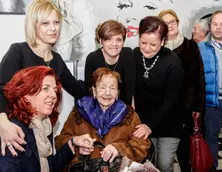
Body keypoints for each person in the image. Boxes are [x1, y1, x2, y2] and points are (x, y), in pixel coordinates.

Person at [0, 0, 88, 157]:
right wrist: (3, 123)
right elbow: (1, 88)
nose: (53, 28)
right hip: (16, 133)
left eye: (56, 22)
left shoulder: (57, 60)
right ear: (33, 25)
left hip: (43, 135)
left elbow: (78, 90)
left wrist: (102, 84)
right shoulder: (18, 51)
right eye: (45, 23)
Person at [0, 66, 95, 172]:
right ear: (26, 94)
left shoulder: (44, 126)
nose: (54, 95)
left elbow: (48, 167)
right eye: (45, 89)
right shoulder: (13, 133)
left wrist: (72, 143)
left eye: (55, 90)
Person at [55, 67, 151, 171]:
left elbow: (142, 144)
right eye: (102, 87)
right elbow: (60, 141)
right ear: (94, 90)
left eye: (112, 88)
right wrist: (76, 145)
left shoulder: (129, 114)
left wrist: (119, 148)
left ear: (117, 92)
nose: (108, 93)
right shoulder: (79, 112)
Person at [133, 16, 184, 172]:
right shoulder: (134, 55)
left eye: (153, 44)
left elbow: (171, 99)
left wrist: (150, 126)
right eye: (143, 43)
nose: (147, 48)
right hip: (142, 121)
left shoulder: (172, 62)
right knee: (146, 163)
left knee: (163, 164)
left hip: (169, 122)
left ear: (162, 42)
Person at [158, 9, 206, 172]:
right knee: (162, 157)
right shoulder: (157, 47)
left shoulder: (191, 46)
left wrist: (198, 107)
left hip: (185, 108)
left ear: (177, 23)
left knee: (185, 153)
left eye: (173, 21)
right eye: (166, 23)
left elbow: (200, 76)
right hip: (163, 109)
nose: (170, 25)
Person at [199, 10, 222, 172]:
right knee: (211, 136)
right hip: (211, 102)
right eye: (215, 24)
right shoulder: (201, 48)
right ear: (210, 26)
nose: (218, 28)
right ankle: (212, 167)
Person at [85, 20, 136, 107]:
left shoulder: (128, 55)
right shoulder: (93, 59)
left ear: (123, 42)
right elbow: (90, 93)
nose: (114, 44)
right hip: (99, 110)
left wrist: (130, 116)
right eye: (109, 39)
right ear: (101, 41)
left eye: (119, 40)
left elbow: (130, 92)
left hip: (123, 109)